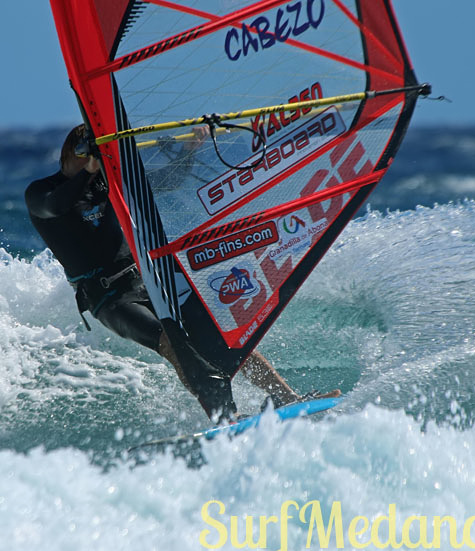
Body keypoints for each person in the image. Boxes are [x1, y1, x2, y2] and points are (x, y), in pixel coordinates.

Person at [25, 125, 336, 422]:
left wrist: (187, 153)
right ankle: (224, 417)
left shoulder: (104, 186)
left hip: (147, 279)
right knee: (172, 344)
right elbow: (56, 206)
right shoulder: (41, 192)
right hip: (108, 297)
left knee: (220, 335)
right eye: (86, 152)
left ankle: (286, 395)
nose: (91, 161)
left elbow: (164, 182)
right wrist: (92, 170)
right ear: (71, 152)